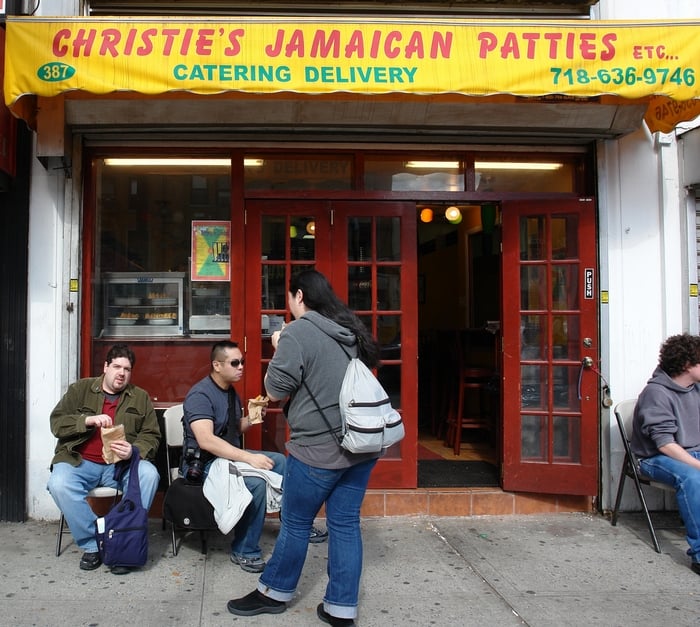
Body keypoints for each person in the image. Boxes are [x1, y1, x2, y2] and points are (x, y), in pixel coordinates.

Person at [227, 270, 383, 626]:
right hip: (360, 448)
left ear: (299, 296)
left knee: (295, 523)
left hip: (316, 449)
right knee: (345, 525)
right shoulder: (349, 330)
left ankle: (273, 593)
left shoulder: (298, 332)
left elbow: (276, 389)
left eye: (289, 298)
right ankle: (342, 608)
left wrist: (280, 344)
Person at [47, 343, 161, 575]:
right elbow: (57, 423)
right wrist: (87, 420)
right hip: (79, 462)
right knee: (58, 484)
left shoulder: (140, 397)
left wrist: (134, 450)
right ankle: (94, 544)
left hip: (118, 466)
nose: (121, 373)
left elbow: (151, 435)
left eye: (127, 369)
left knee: (149, 474)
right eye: (117, 366)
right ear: (106, 367)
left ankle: (124, 538)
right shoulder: (81, 389)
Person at [182, 340, 290, 574]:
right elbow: (207, 440)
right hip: (203, 463)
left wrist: (251, 419)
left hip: (227, 458)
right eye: (234, 362)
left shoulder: (230, 392)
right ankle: (244, 549)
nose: (241, 366)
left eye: (242, 362)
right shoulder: (200, 395)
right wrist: (249, 459)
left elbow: (230, 429)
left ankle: (292, 524)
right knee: (256, 483)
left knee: (281, 462)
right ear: (217, 365)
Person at [631, 332, 700, 576]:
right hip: (655, 458)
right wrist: (696, 464)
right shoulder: (656, 394)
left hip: (691, 451)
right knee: (693, 479)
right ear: (686, 365)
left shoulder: (696, 388)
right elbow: (664, 444)